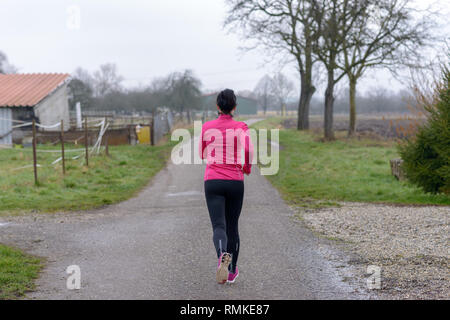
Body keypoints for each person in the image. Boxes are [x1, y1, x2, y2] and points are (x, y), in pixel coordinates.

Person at [199, 89, 253, 284]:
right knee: (233, 227)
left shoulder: (207, 127)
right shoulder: (241, 127)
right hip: (235, 181)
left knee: (219, 226)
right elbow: (247, 149)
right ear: (235, 107)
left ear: (217, 106)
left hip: (213, 180)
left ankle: (222, 254)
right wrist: (246, 167)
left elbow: (201, 153)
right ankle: (231, 272)